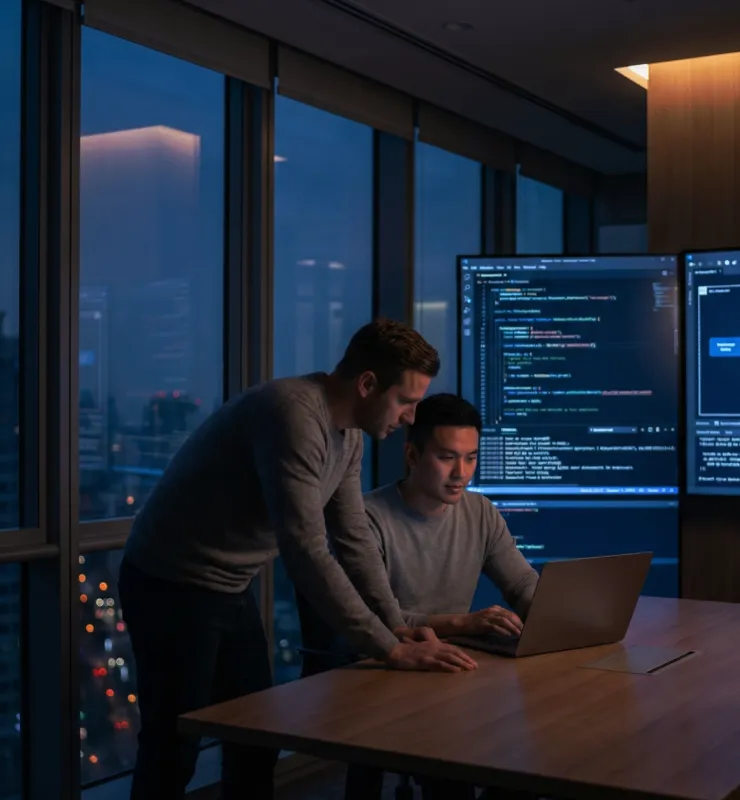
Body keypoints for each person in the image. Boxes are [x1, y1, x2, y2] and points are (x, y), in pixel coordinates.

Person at [117, 320, 477, 800]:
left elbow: (351, 539)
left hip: (228, 585)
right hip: (170, 583)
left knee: (254, 738)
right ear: (368, 384)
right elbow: (306, 551)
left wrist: (395, 625)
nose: (412, 417)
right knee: (173, 746)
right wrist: (389, 650)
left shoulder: (347, 436)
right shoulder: (294, 416)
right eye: (406, 401)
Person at [359, 392, 539, 639]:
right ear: (412, 455)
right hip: (377, 666)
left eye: (471, 458)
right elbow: (373, 618)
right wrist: (462, 624)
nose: (461, 473)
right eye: (447, 458)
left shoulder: (480, 511)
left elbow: (521, 583)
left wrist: (550, 614)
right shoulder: (366, 518)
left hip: (452, 661)